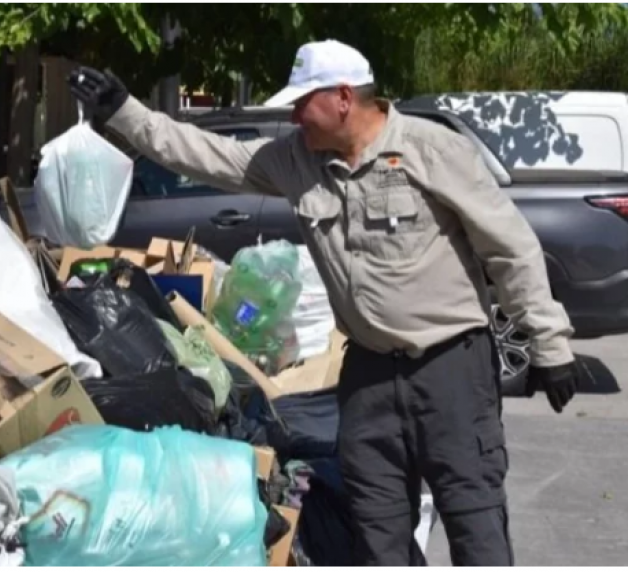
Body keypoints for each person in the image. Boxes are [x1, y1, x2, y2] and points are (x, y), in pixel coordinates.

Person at [68, 39, 579, 566]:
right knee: (376, 534)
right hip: (368, 380)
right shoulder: (295, 161)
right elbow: (205, 153)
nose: (293, 115)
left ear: (342, 98)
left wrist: (549, 345)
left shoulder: (433, 150)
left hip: (450, 372)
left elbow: (510, 247)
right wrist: (124, 113)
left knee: (476, 526)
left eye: (301, 102)